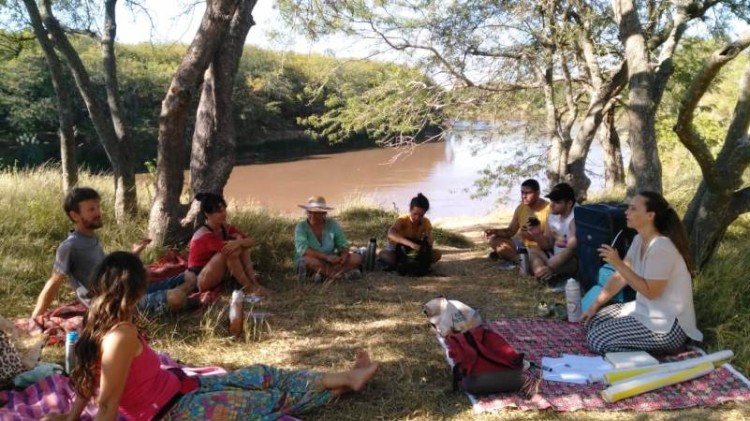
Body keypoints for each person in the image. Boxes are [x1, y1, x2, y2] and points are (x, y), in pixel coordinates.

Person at [42, 251, 378, 421]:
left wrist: (70, 417)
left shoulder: (100, 320)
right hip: (177, 411)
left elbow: (86, 384)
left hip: (182, 387)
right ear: (134, 291)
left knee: (261, 374)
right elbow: (107, 404)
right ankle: (347, 384)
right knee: (268, 404)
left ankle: (347, 376)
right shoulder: (120, 334)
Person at [32, 187, 196, 319]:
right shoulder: (69, 246)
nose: (98, 213)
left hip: (123, 291)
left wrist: (133, 255)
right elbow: (53, 283)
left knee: (189, 276)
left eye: (97, 207)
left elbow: (107, 271)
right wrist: (36, 318)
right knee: (177, 297)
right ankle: (181, 304)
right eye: (91, 209)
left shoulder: (92, 238)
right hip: (112, 304)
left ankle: (177, 301)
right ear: (75, 215)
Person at [581, 191, 703, 354]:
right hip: (644, 310)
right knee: (592, 322)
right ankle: (639, 346)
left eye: (633, 209)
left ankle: (657, 354)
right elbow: (619, 278)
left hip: (669, 325)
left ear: (650, 215)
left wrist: (617, 263)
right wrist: (594, 305)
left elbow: (650, 292)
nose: (626, 212)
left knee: (596, 340)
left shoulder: (661, 247)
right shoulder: (639, 240)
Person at [188, 192, 270, 296]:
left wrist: (239, 241)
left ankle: (255, 283)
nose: (223, 214)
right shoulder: (204, 234)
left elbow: (250, 241)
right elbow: (230, 250)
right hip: (199, 280)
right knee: (230, 252)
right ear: (207, 214)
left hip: (216, 272)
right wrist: (239, 241)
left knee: (243, 247)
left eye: (224, 210)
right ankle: (249, 288)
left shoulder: (224, 227)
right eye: (218, 212)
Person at [484, 179, 550, 270]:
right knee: (493, 240)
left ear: (538, 193)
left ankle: (523, 261)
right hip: (523, 246)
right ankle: (520, 260)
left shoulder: (549, 209)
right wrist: (494, 231)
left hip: (540, 248)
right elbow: (510, 231)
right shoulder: (520, 208)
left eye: (528, 193)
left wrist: (534, 236)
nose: (524, 196)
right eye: (522, 192)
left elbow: (550, 240)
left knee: (534, 255)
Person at [294, 196, 363, 281]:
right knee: (306, 261)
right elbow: (303, 250)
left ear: (324, 213)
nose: (312, 215)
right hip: (313, 260)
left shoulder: (332, 224)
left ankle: (321, 275)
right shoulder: (301, 227)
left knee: (356, 258)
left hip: (330, 262)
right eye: (309, 212)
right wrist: (326, 257)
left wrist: (343, 257)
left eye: (316, 213)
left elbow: (343, 244)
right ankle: (337, 276)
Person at [527, 183, 578, 283]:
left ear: (569, 203)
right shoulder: (553, 213)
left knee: (570, 262)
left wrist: (552, 267)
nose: (552, 205)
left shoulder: (575, 218)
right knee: (531, 251)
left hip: (571, 259)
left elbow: (572, 249)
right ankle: (545, 275)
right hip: (554, 256)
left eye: (557, 202)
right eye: (551, 201)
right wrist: (538, 234)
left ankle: (544, 274)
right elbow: (548, 244)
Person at [378, 193, 442, 269]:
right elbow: (391, 233)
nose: (417, 218)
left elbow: (429, 238)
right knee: (388, 258)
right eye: (415, 214)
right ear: (410, 209)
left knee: (437, 254)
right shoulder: (403, 219)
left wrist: (428, 243)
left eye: (421, 215)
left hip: (413, 250)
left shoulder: (426, 222)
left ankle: (408, 263)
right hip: (396, 248)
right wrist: (411, 244)